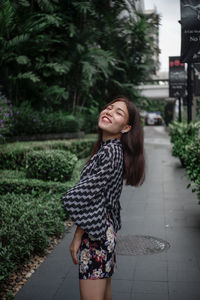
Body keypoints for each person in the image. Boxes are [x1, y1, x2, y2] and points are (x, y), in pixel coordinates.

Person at [63, 96, 145, 300]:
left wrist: (77, 236)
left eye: (118, 112)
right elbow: (96, 196)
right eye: (108, 107)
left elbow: (90, 195)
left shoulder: (110, 152)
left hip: (96, 237)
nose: (109, 111)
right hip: (102, 232)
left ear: (125, 128)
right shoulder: (110, 149)